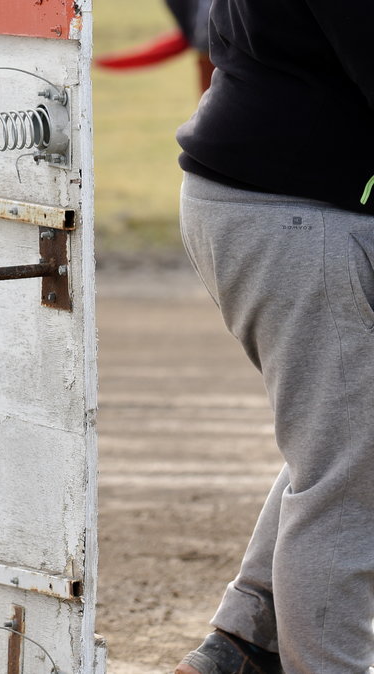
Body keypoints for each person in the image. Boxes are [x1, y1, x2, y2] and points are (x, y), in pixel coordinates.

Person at [174, 0, 374, 672]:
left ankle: (243, 642)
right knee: (343, 480)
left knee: (345, 440)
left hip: (275, 200)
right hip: (290, 214)